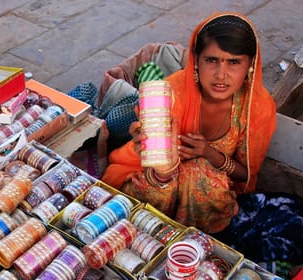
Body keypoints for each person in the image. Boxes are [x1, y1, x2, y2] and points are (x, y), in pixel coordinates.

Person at [101, 12, 277, 234]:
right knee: (163, 178)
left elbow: (246, 175)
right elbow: (154, 158)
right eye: (212, 60)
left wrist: (208, 153)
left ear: (250, 65)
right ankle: (153, 237)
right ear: (196, 60)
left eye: (234, 62)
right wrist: (153, 153)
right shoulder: (171, 91)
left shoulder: (257, 107)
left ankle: (193, 244)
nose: (221, 75)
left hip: (209, 190)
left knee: (197, 174)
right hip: (158, 178)